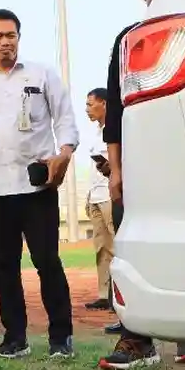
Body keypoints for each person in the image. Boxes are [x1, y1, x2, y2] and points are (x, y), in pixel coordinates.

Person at [99, 0, 185, 370]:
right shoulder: (130, 40)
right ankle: (136, 340)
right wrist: (117, 169)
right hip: (141, 163)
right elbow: (115, 111)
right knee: (133, 247)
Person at [0, 9, 79, 359]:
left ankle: (61, 337)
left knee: (47, 261)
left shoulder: (42, 74)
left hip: (37, 189)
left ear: (19, 38)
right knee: (5, 269)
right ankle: (16, 338)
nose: (5, 42)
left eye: (11, 35)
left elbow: (66, 119)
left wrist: (65, 153)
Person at [82, 88, 115, 311]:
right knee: (101, 248)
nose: (87, 109)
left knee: (117, 247)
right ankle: (104, 294)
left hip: (110, 195)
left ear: (103, 104)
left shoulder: (116, 131)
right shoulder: (96, 133)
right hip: (96, 195)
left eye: (90, 104)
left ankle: (119, 295)